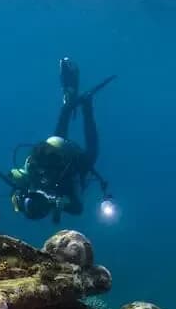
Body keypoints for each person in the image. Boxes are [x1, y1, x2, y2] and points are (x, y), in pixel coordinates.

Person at [9, 59, 114, 223]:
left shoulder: (31, 179)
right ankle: (77, 104)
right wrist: (61, 204)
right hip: (64, 157)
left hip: (59, 153)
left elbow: (13, 176)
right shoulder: (44, 186)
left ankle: (75, 105)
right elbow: (77, 209)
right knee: (64, 143)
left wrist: (16, 195)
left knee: (81, 152)